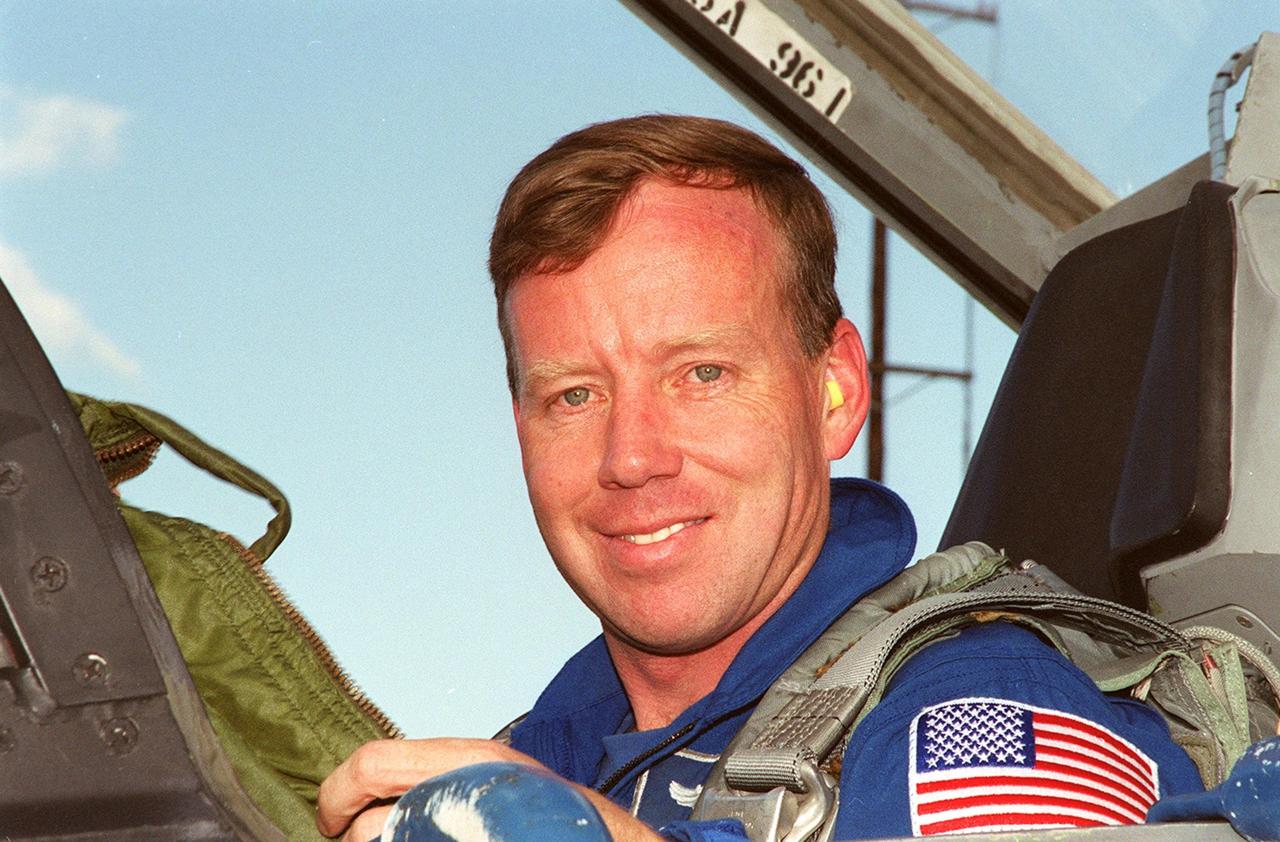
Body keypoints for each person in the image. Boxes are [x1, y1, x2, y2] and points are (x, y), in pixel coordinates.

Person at [316, 115, 1202, 841]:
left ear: (836, 392)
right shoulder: (540, 755)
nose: (631, 457)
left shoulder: (983, 710)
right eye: (575, 395)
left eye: (701, 374)